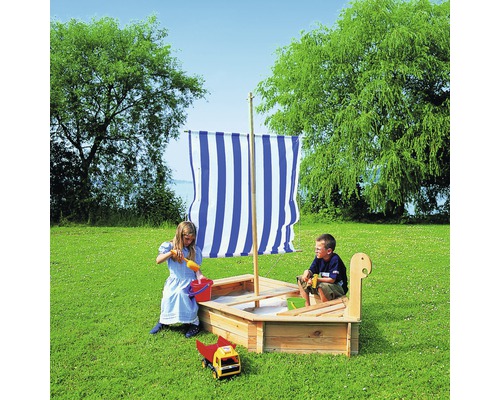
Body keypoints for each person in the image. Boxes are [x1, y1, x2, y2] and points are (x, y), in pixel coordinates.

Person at [150, 221, 205, 338]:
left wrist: (200, 276)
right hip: (174, 280)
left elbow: (196, 269)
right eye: (186, 239)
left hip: (189, 282)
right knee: (168, 296)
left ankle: (194, 323)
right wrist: (171, 253)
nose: (189, 242)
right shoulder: (169, 246)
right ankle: (164, 321)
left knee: (182, 294)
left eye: (191, 239)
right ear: (180, 235)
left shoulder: (194, 250)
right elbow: (158, 260)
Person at [297, 233, 348, 307]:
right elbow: (312, 270)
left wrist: (315, 279)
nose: (315, 251)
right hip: (325, 285)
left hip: (338, 288)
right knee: (300, 279)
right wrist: (307, 273)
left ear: (329, 251)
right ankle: (307, 306)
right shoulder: (318, 258)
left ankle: (325, 307)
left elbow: (332, 280)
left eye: (318, 249)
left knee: (321, 286)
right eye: (315, 248)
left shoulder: (335, 259)